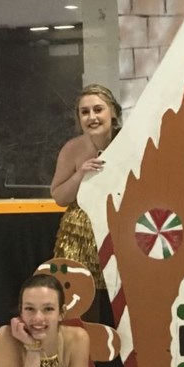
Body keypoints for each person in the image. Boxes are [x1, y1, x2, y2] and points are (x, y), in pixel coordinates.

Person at [50, 84, 122, 302]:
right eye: (85, 112)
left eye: (98, 109)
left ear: (114, 112)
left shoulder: (130, 142)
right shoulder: (72, 149)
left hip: (120, 228)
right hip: (79, 235)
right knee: (80, 299)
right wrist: (81, 173)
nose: (92, 117)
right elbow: (60, 197)